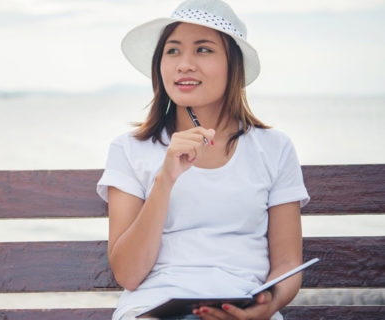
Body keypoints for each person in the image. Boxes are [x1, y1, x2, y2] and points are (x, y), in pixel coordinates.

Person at [96, 0, 310, 319]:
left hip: (240, 307)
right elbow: (128, 275)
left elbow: (287, 264)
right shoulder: (129, 149)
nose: (184, 64)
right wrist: (164, 179)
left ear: (232, 64)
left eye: (203, 49)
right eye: (173, 51)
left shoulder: (274, 148)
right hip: (154, 308)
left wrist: (269, 305)